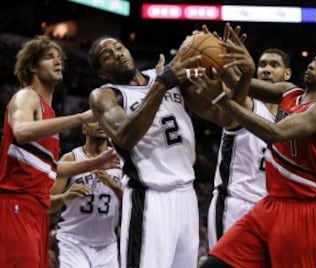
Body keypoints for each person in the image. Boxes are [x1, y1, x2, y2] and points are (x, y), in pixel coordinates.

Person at [86, 26, 249, 268]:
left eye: (118, 47)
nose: (118, 53)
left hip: (186, 196)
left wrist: (241, 75)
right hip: (150, 198)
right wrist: (163, 83)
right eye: (107, 55)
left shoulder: (170, 78)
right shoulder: (106, 95)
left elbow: (225, 118)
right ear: (101, 73)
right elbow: (125, 135)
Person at [195, 32, 316, 267]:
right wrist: (229, 59)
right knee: (215, 263)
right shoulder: (289, 92)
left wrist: (222, 101)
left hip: (305, 212)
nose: (312, 65)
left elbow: (273, 133)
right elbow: (241, 84)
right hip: (270, 205)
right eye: (313, 60)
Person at [0, 35, 119, 268]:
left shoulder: (49, 114)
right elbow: (22, 130)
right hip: (16, 204)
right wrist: (81, 117)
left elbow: (51, 168)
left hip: (37, 209)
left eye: (60, 58)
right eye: (49, 57)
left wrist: (95, 163)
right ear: (32, 66)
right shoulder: (27, 96)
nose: (58, 62)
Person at [207, 48, 292, 248]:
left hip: (270, 210)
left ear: (287, 74)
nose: (266, 70)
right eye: (262, 65)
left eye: (274, 65)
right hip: (235, 205)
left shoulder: (291, 120)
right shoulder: (247, 105)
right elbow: (236, 96)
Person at [50, 122, 123, 268]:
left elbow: (133, 203)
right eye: (95, 120)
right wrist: (65, 197)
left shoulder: (120, 160)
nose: (101, 124)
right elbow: (46, 204)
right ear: (84, 128)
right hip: (73, 241)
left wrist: (113, 185)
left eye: (105, 120)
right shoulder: (71, 159)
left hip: (107, 244)